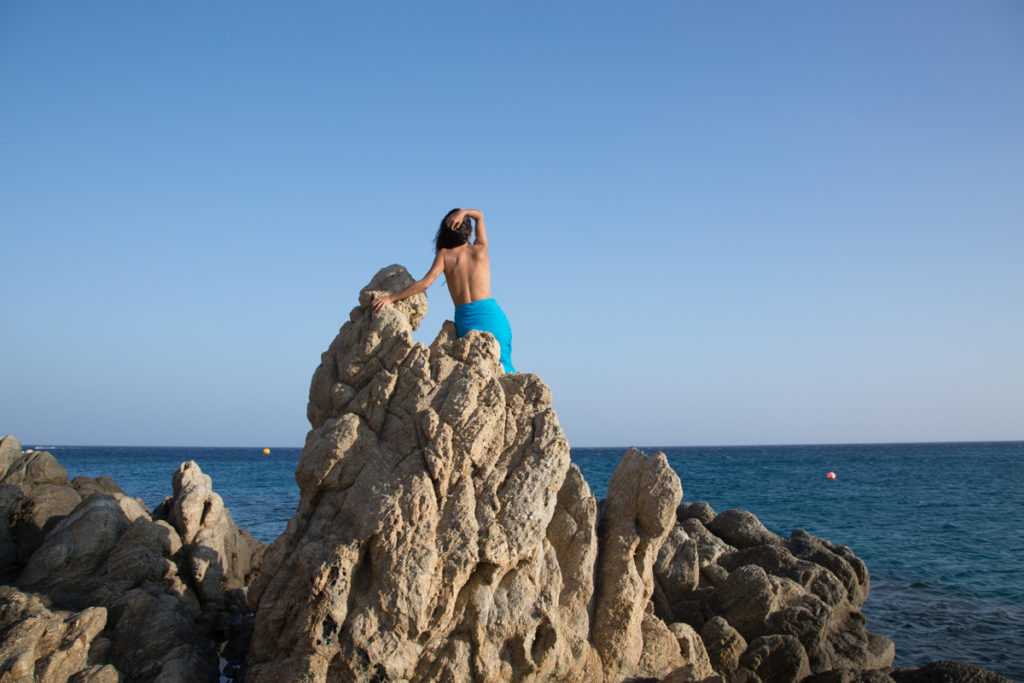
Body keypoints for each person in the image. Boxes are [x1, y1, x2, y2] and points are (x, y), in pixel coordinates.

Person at [371, 208, 516, 373]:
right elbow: (480, 215)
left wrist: (390, 298)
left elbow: (425, 283)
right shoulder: (480, 249)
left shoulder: (444, 256)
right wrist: (464, 212)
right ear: (469, 233)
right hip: (492, 317)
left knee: (479, 369)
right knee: (503, 369)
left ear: (447, 233)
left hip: (466, 321)